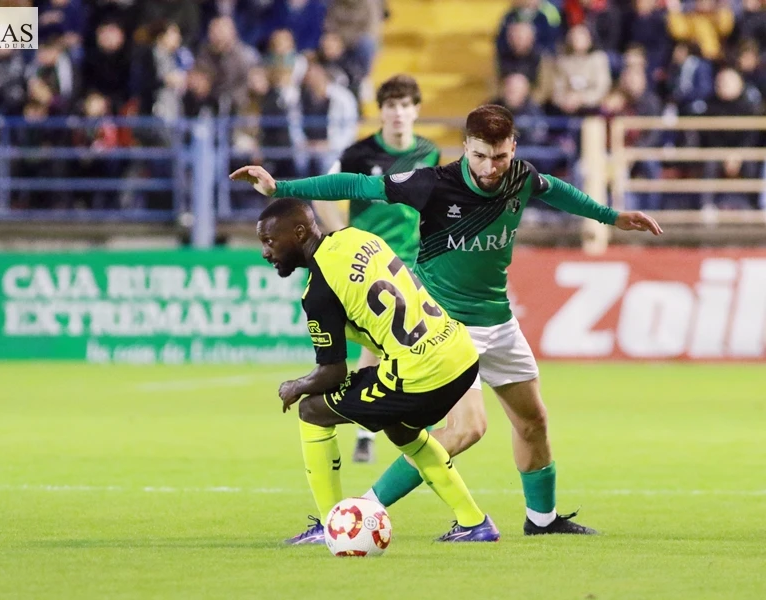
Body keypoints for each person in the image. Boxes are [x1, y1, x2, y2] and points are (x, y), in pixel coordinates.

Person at [232, 104, 663, 536]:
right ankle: (362, 511)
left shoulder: (521, 177)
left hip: (498, 319)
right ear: (465, 149)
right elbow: (359, 183)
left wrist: (612, 217)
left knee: (533, 421)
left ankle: (542, 520)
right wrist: (280, 186)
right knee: (467, 427)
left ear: (513, 147)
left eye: (499, 156)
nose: (491, 167)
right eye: (479, 156)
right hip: (447, 324)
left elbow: (556, 191)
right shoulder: (434, 184)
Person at [250, 197, 499, 545]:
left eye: (269, 241)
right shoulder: (358, 238)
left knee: (312, 409)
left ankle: (330, 526)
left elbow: (332, 373)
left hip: (421, 371)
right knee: (402, 429)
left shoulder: (320, 290)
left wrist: (297, 385)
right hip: (458, 351)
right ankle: (474, 523)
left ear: (300, 231)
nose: (265, 252)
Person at [313, 73, 441, 464]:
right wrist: (341, 237)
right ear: (381, 111)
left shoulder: (430, 152)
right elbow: (321, 193)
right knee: (383, 344)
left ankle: (377, 425)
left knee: (403, 343)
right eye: (391, 106)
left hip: (413, 263)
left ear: (416, 110)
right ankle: (376, 425)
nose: (399, 113)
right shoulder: (358, 154)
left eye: (405, 105)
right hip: (370, 266)